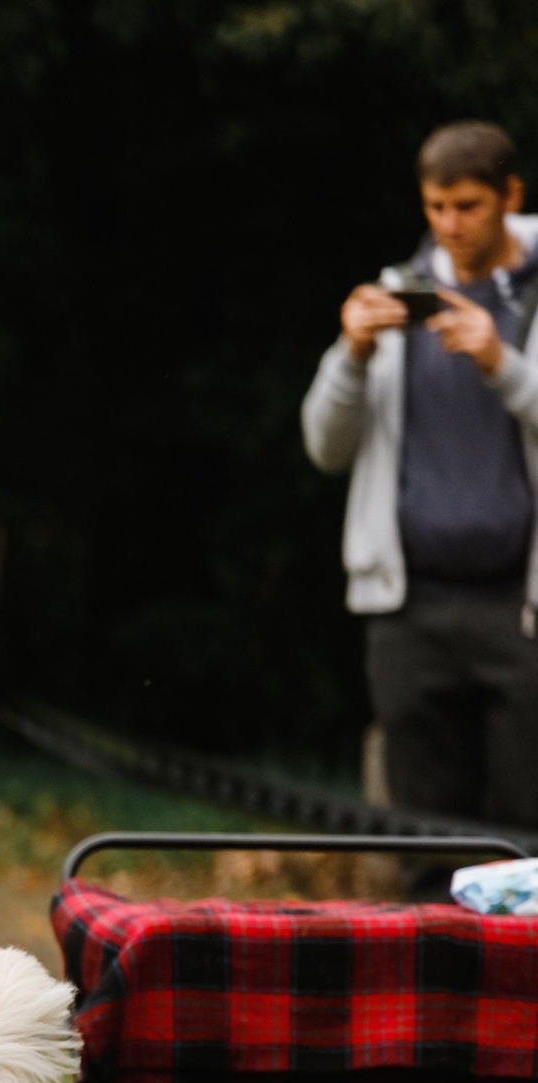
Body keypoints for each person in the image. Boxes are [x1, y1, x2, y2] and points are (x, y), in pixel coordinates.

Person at [302, 120, 538, 888]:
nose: (449, 224)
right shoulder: (395, 298)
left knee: (525, 849)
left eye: (467, 205)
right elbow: (323, 445)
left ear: (510, 196)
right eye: (435, 206)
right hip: (409, 611)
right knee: (427, 851)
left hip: (522, 611)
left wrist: (503, 362)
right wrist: (351, 354)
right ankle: (437, 974)